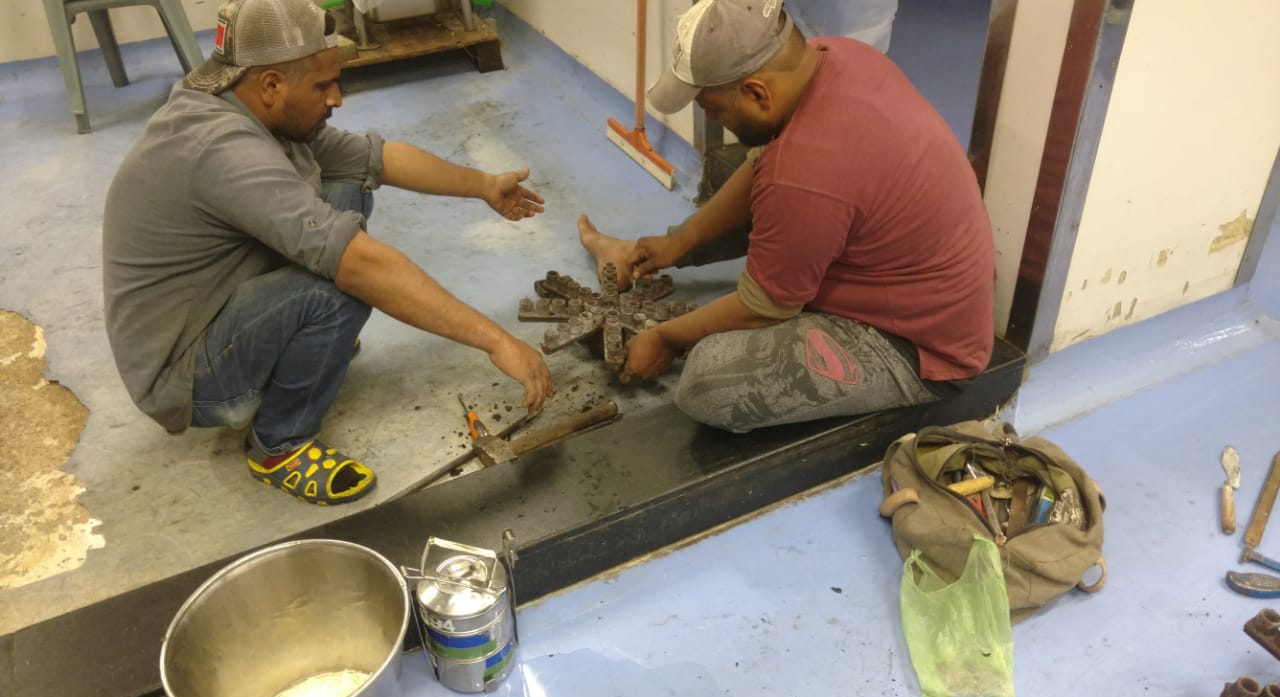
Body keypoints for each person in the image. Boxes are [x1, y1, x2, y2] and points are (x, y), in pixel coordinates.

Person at [102, 0, 553, 505]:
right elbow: (361, 267)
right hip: (186, 377)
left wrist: (485, 185)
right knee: (342, 287)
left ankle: (303, 346)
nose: (336, 98)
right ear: (271, 85)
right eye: (323, 86)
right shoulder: (223, 150)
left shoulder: (247, 106)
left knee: (347, 186)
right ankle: (279, 444)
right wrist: (497, 341)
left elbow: (375, 159)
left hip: (214, 306)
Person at [578, 0, 994, 433]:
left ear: (758, 93)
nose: (711, 117)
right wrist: (678, 242)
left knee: (706, 384)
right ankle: (643, 254)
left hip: (922, 349)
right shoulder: (838, 55)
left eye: (712, 108)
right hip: (908, 275)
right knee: (755, 183)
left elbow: (762, 309)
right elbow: (762, 167)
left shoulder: (804, 173)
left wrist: (666, 337)